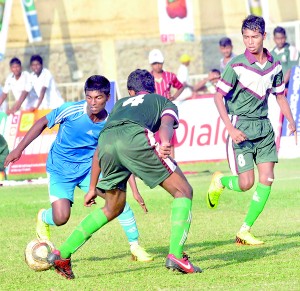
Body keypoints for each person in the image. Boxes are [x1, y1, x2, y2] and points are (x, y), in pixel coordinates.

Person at [46, 69, 202, 279]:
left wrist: (92, 187)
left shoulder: (118, 106)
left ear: (130, 92)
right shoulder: (161, 100)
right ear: (152, 89)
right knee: (184, 191)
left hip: (107, 143)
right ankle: (176, 254)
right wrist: (165, 140)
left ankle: (62, 254)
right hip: (134, 138)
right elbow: (166, 123)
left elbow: (99, 150)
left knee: (113, 206)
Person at [4, 75, 153, 262]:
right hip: (60, 169)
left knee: (117, 200)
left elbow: (119, 157)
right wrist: (18, 149)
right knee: (61, 217)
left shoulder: (111, 123)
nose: (93, 102)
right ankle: (43, 217)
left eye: (98, 98)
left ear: (108, 97)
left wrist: (134, 189)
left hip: (88, 171)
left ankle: (135, 246)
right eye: (89, 97)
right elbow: (43, 122)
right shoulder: (71, 110)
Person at [207, 15, 296, 245]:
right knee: (246, 183)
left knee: (267, 179)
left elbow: (280, 96)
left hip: (264, 127)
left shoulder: (275, 66)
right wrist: (230, 128)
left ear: (264, 37)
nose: (250, 42)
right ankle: (221, 182)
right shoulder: (235, 65)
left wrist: (292, 121)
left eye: (254, 37)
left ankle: (244, 230)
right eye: (246, 37)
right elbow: (218, 98)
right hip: (241, 127)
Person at [149, 49, 184, 158]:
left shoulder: (170, 76)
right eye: (155, 63)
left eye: (159, 63)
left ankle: (172, 163)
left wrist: (174, 97)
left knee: (169, 139)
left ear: (163, 62)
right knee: (154, 140)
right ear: (151, 64)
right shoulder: (148, 77)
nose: (157, 66)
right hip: (154, 112)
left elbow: (180, 86)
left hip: (167, 111)